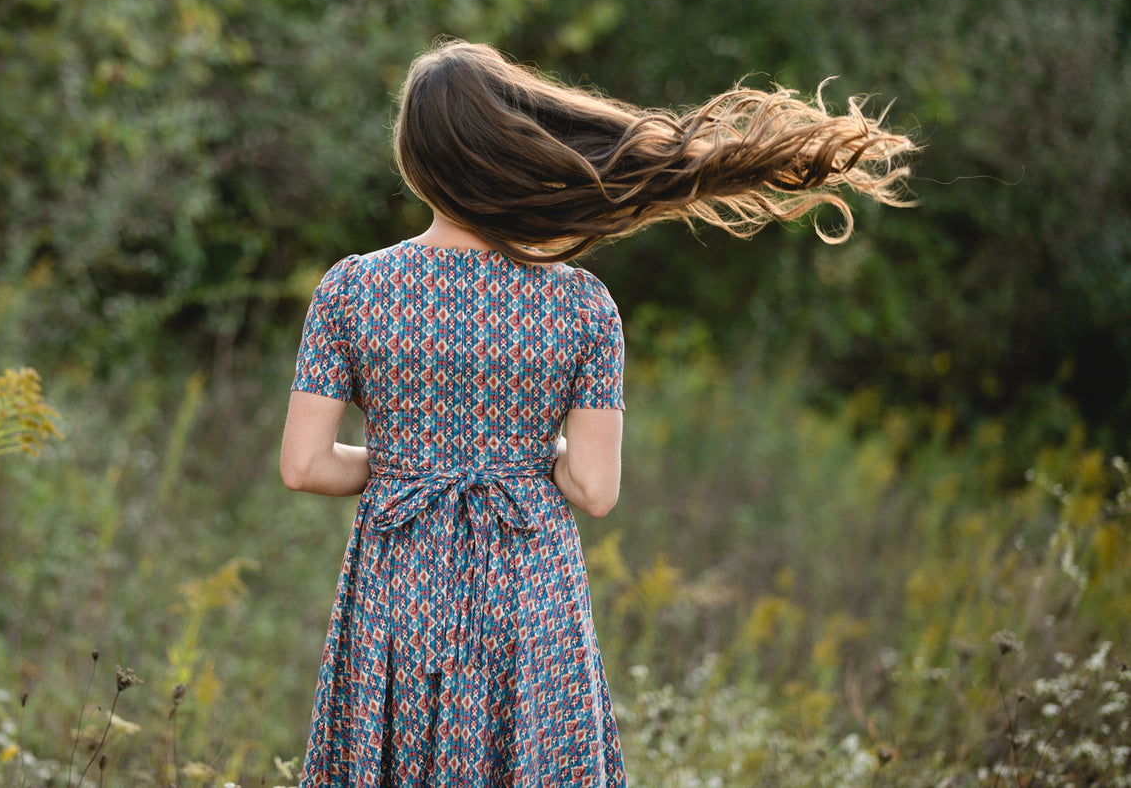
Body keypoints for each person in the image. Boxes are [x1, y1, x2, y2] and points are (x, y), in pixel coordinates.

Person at [279, 39, 917, 785]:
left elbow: (304, 465)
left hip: (398, 584)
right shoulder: (581, 304)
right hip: (527, 589)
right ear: (506, 151)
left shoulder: (351, 291)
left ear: (415, 164)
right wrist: (518, 460)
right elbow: (594, 488)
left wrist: (405, 466)